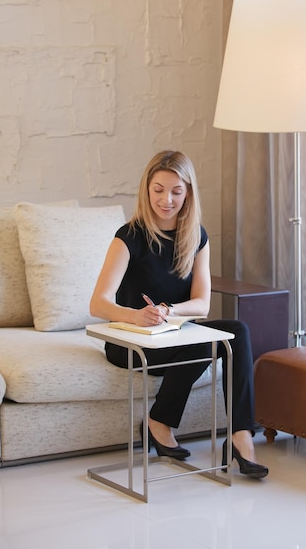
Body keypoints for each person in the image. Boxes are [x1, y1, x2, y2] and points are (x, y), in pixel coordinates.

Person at [90, 150, 268, 479]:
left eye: (176, 191)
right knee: (204, 343)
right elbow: (97, 303)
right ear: (146, 189)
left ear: (188, 192)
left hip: (174, 335)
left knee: (236, 331)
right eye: (158, 190)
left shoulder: (196, 237)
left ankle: (241, 436)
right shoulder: (129, 236)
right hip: (131, 342)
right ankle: (159, 422)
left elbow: (201, 304)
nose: (166, 200)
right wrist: (135, 316)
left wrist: (169, 310)